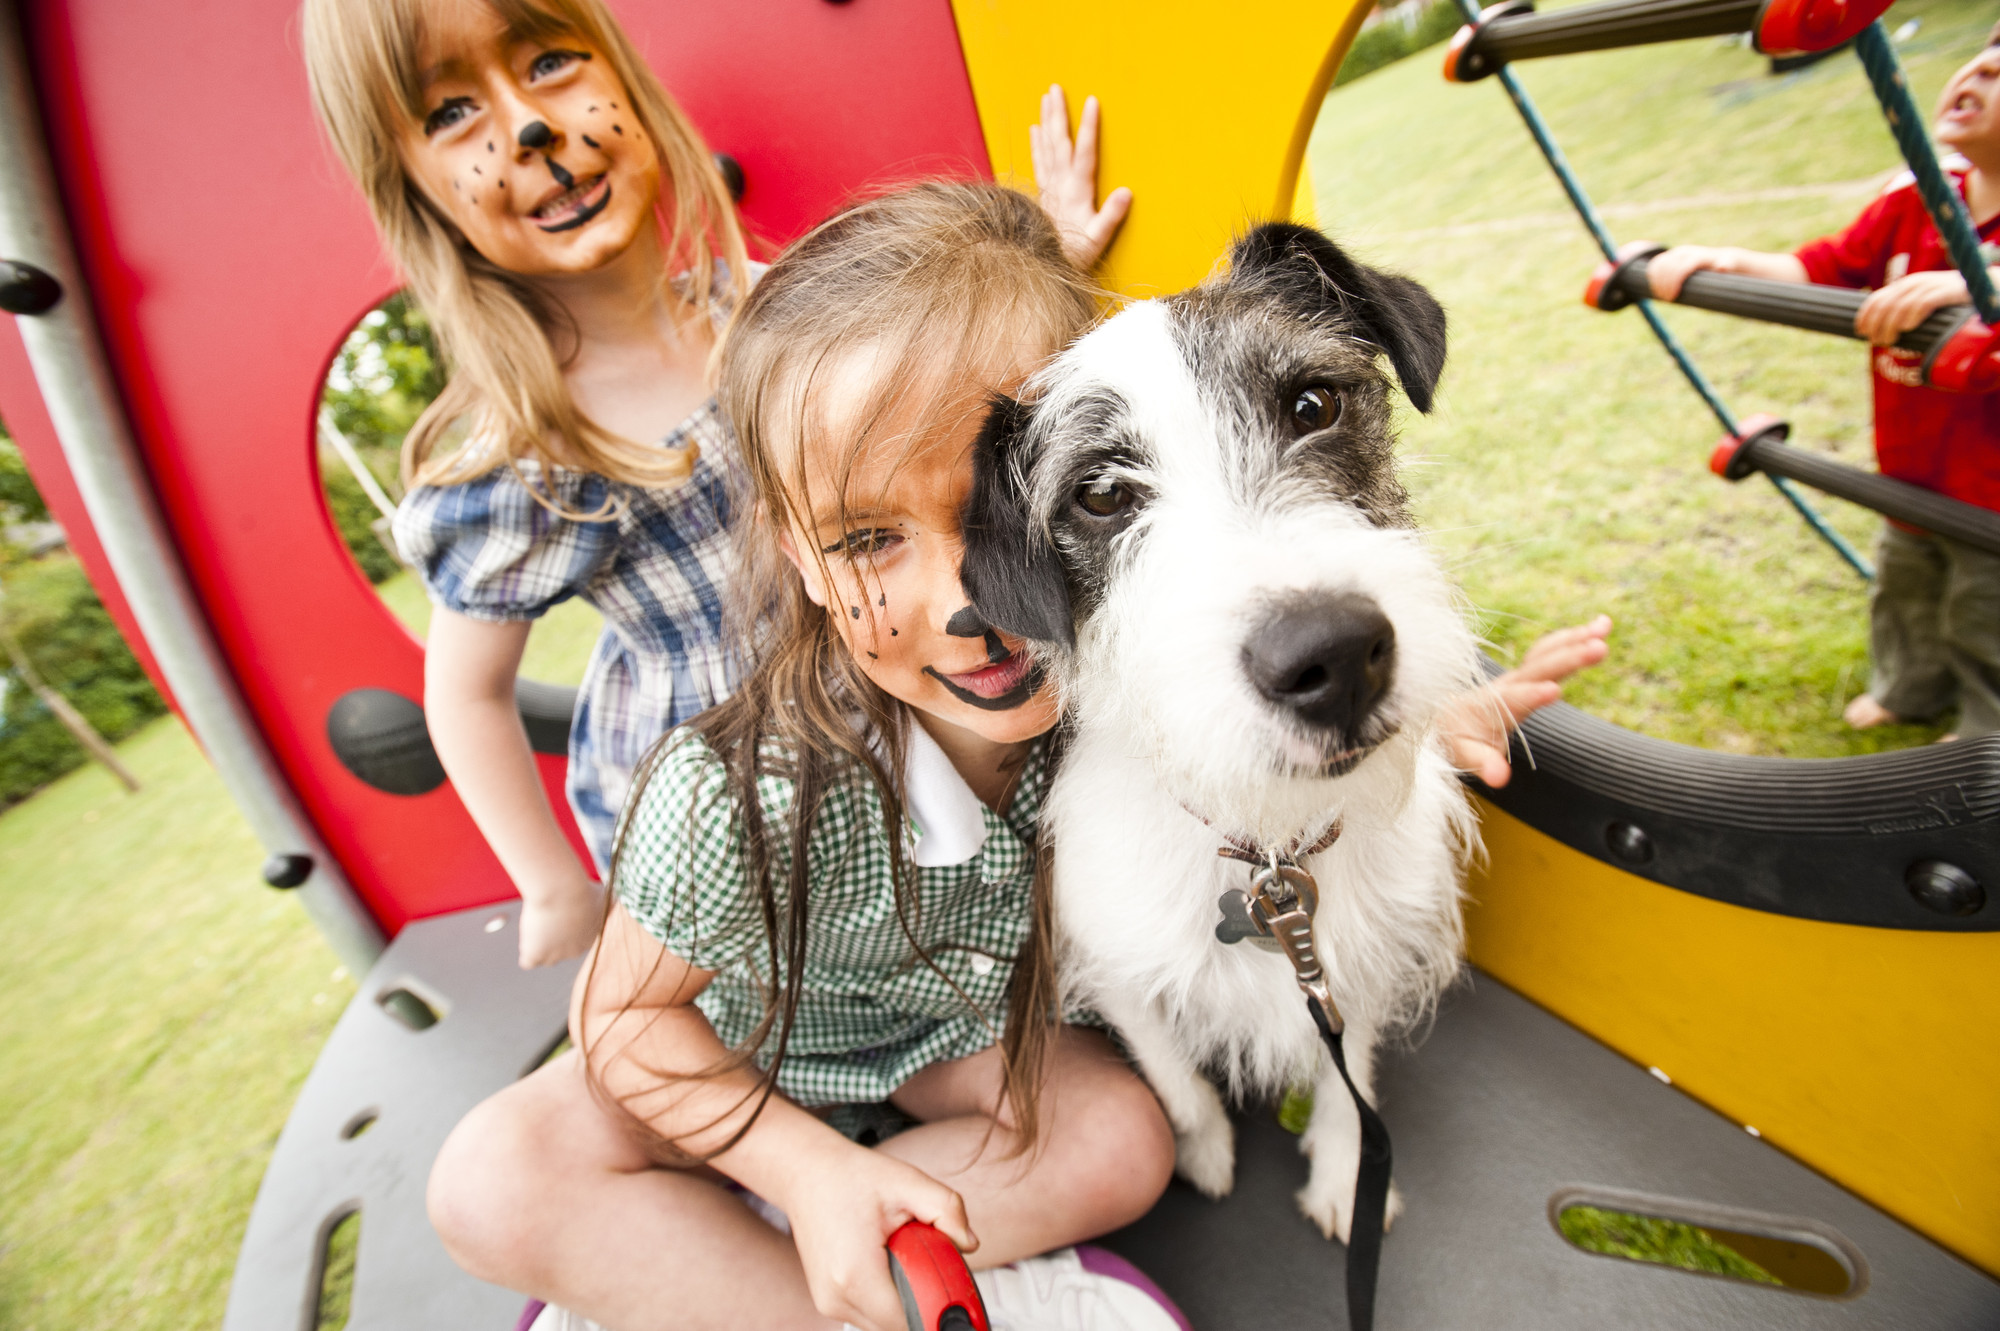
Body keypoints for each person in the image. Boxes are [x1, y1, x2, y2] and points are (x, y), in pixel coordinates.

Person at [304, 0, 1131, 967]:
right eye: (450, 115)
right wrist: (553, 888)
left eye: (550, 63)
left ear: (624, 78)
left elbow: (921, 368)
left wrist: (1046, 266)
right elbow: (467, 694)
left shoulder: (767, 307)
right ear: (413, 189)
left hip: (901, 727)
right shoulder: (523, 453)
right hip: (741, 803)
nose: (528, 131)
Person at [1645, 24, 2000, 741]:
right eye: (1984, 57)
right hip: (1911, 470)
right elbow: (1821, 267)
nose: (1981, 70)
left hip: (1990, 496)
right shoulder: (1918, 200)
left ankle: (1986, 727)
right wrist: (1728, 261)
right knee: (1904, 591)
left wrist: (1975, 284)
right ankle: (1908, 687)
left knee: (1984, 610)